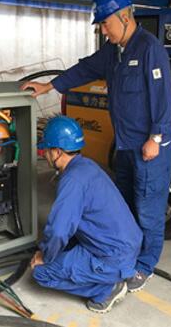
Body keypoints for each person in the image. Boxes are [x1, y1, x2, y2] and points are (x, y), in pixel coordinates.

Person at [23, 0, 171, 292]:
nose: (103, 31)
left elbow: (164, 97)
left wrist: (155, 138)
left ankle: (144, 266)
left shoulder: (150, 49)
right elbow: (84, 69)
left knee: (148, 208)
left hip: (149, 148)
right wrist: (49, 86)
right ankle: (124, 255)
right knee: (125, 205)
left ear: (124, 17)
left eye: (106, 23)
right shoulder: (113, 52)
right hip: (125, 145)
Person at [30, 116, 143, 313]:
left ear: (57, 152)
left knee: (41, 273)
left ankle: (107, 289)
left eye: (46, 150)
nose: (45, 154)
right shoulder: (87, 166)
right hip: (129, 245)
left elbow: (58, 231)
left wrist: (45, 256)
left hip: (112, 257)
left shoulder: (72, 181)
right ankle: (121, 273)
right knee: (64, 246)